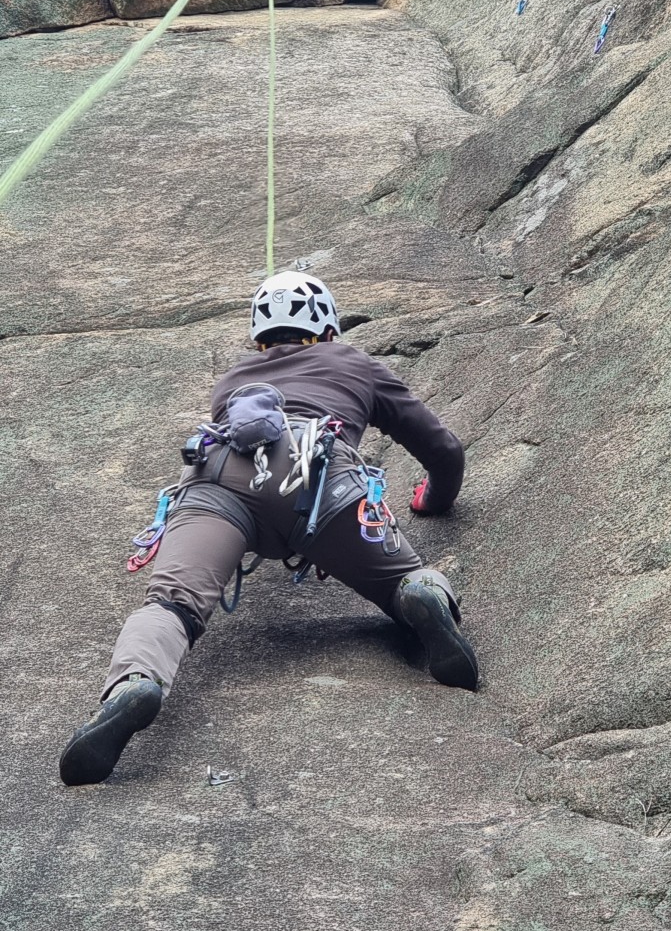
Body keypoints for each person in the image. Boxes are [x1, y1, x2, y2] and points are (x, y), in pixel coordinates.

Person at [59, 269, 478, 787]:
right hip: (318, 477)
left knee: (169, 603)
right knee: (402, 580)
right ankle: (419, 593)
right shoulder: (353, 363)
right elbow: (444, 450)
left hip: (218, 480)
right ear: (327, 326)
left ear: (260, 334)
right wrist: (434, 499)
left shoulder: (234, 379)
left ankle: (137, 681)